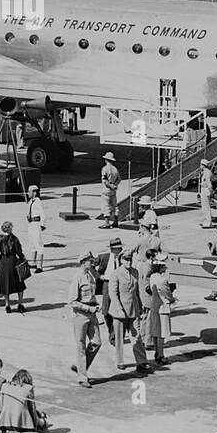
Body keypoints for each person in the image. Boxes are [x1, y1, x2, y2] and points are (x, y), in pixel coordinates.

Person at [108, 248, 147, 372]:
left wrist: (141, 306)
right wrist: (119, 309)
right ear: (121, 260)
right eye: (126, 259)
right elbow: (113, 294)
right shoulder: (115, 274)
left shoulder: (135, 272)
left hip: (133, 310)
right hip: (120, 312)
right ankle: (119, 361)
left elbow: (137, 292)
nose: (128, 261)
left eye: (130, 259)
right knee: (119, 338)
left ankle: (141, 362)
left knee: (137, 337)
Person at [68, 252, 102, 387]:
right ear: (83, 262)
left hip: (92, 313)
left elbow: (91, 294)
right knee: (80, 346)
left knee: (96, 342)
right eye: (89, 261)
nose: (92, 263)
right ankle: (82, 377)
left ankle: (80, 366)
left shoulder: (90, 275)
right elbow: (72, 301)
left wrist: (96, 304)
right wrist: (88, 309)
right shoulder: (78, 278)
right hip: (80, 315)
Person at [0, 221, 27, 314]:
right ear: (10, 228)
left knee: (5, 285)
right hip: (12, 261)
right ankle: (20, 303)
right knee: (19, 284)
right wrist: (22, 257)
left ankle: (7, 305)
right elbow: (19, 251)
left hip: (3, 262)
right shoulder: (14, 239)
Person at [24, 187, 46, 272]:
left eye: (29, 192)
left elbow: (42, 214)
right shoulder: (30, 202)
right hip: (31, 224)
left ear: (35, 193)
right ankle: (33, 262)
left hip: (36, 224)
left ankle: (39, 266)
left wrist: (42, 224)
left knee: (38, 244)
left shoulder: (38, 202)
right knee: (32, 243)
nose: (28, 193)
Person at [98, 152, 120, 228]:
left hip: (106, 190)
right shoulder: (115, 169)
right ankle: (116, 221)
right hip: (113, 190)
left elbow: (105, 180)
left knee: (105, 205)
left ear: (106, 160)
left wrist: (110, 186)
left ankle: (107, 222)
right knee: (114, 205)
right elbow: (119, 179)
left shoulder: (104, 169)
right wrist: (114, 185)